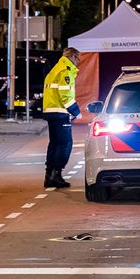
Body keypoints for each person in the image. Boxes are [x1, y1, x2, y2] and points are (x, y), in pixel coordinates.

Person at [41, 47, 82, 188]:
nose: (79, 62)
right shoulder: (66, 71)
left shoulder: (55, 69)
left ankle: (49, 176)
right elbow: (65, 95)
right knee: (65, 144)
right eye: (78, 58)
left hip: (51, 112)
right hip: (60, 112)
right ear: (73, 57)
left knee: (54, 144)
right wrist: (76, 111)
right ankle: (56, 175)